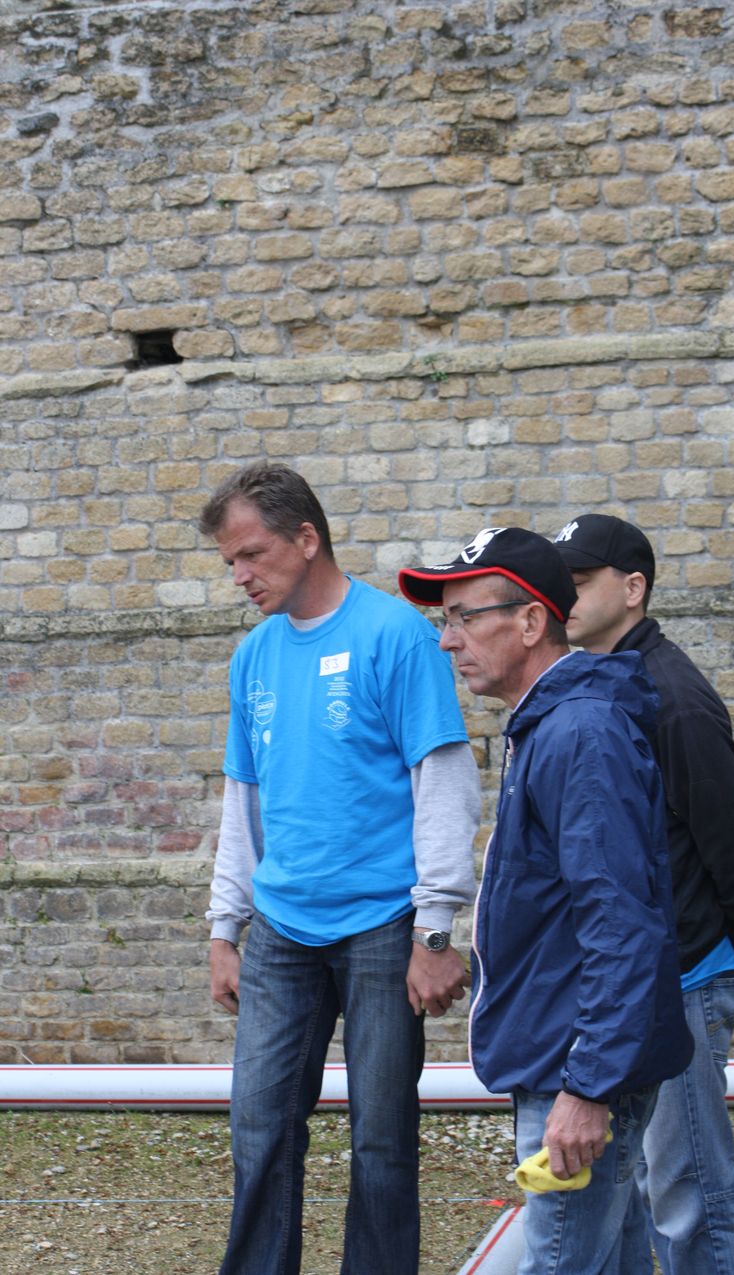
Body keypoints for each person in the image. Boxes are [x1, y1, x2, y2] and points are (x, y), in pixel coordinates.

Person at [199, 462, 480, 1275]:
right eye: (230, 562)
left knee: (382, 1138)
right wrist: (224, 928)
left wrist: (435, 928)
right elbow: (244, 800)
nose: (241, 575)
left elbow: (443, 781)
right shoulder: (252, 656)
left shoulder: (396, 636)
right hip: (281, 928)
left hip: (384, 926)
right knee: (258, 1127)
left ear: (306, 537)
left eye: (252, 554)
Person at [399, 526, 694, 1275]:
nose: (447, 640)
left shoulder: (579, 732)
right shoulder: (554, 723)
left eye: (464, 617)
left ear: (531, 621)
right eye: (445, 620)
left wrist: (588, 1087)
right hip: (572, 1056)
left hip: (577, 1067)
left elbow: (620, 923)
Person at [552, 512, 734, 1275]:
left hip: (686, 973)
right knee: (637, 1185)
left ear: (633, 588)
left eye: (580, 581)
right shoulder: (601, 683)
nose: (564, 596)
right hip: (647, 979)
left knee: (690, 1188)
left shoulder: (673, 696)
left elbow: (733, 836)